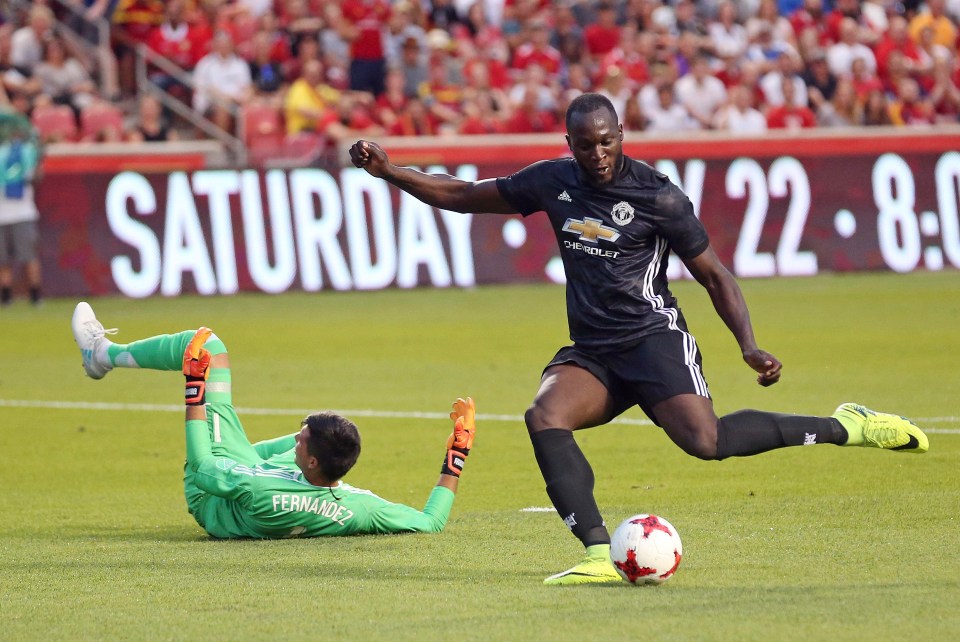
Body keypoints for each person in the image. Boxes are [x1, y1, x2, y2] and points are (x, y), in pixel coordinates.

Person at [348, 92, 930, 585]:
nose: (597, 155)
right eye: (585, 145)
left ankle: (846, 425)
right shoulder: (553, 181)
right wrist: (390, 172)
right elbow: (463, 195)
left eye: (606, 141)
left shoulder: (660, 197)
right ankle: (598, 555)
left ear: (621, 133)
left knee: (707, 442)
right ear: (569, 142)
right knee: (545, 415)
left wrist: (748, 345)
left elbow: (714, 275)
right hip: (594, 350)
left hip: (653, 339)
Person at [70, 302, 477, 539]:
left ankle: (101, 354)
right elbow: (429, 523)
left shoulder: (257, 487)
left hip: (213, 494)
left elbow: (204, 469)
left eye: (303, 438)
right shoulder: (357, 507)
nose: (297, 437)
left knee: (209, 346)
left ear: (313, 461)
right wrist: (457, 454)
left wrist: (195, 387)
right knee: (270, 448)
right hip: (257, 473)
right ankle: (105, 356)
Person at [0, 116, 42, 306]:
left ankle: (34, 294)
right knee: (4, 259)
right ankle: (7, 295)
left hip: (22, 211)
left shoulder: (26, 152)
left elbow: (35, 177)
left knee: (27, 257)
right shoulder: (18, 152)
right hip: (7, 213)